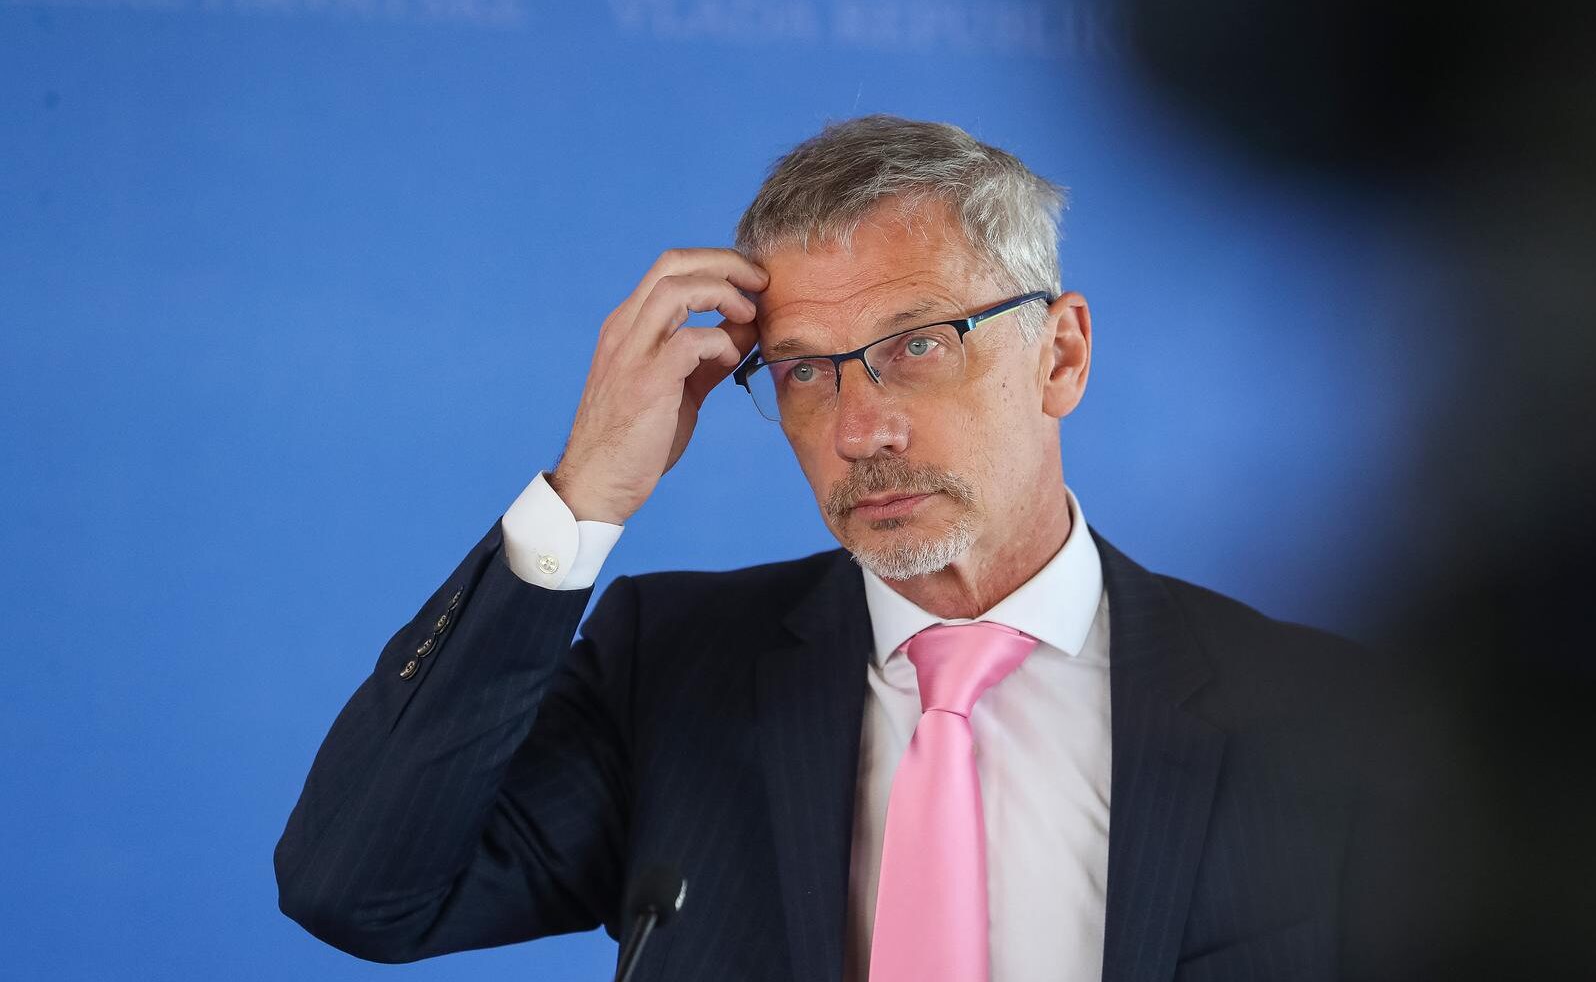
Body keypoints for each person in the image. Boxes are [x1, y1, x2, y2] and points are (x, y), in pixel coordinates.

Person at [275, 115, 1401, 982]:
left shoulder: (1321, 720)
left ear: (1059, 355)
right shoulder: (671, 671)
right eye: (805, 371)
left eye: (918, 345)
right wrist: (586, 493)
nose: (861, 430)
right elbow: (360, 892)